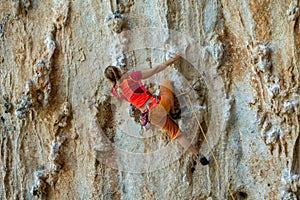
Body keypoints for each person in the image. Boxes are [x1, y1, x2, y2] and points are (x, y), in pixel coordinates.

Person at [104, 54, 209, 166]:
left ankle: (198, 155)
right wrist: (173, 59)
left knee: (177, 134)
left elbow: (129, 95)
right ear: (119, 71)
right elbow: (156, 69)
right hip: (159, 105)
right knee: (166, 82)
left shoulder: (115, 92)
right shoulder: (132, 77)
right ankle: (173, 112)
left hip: (151, 117)